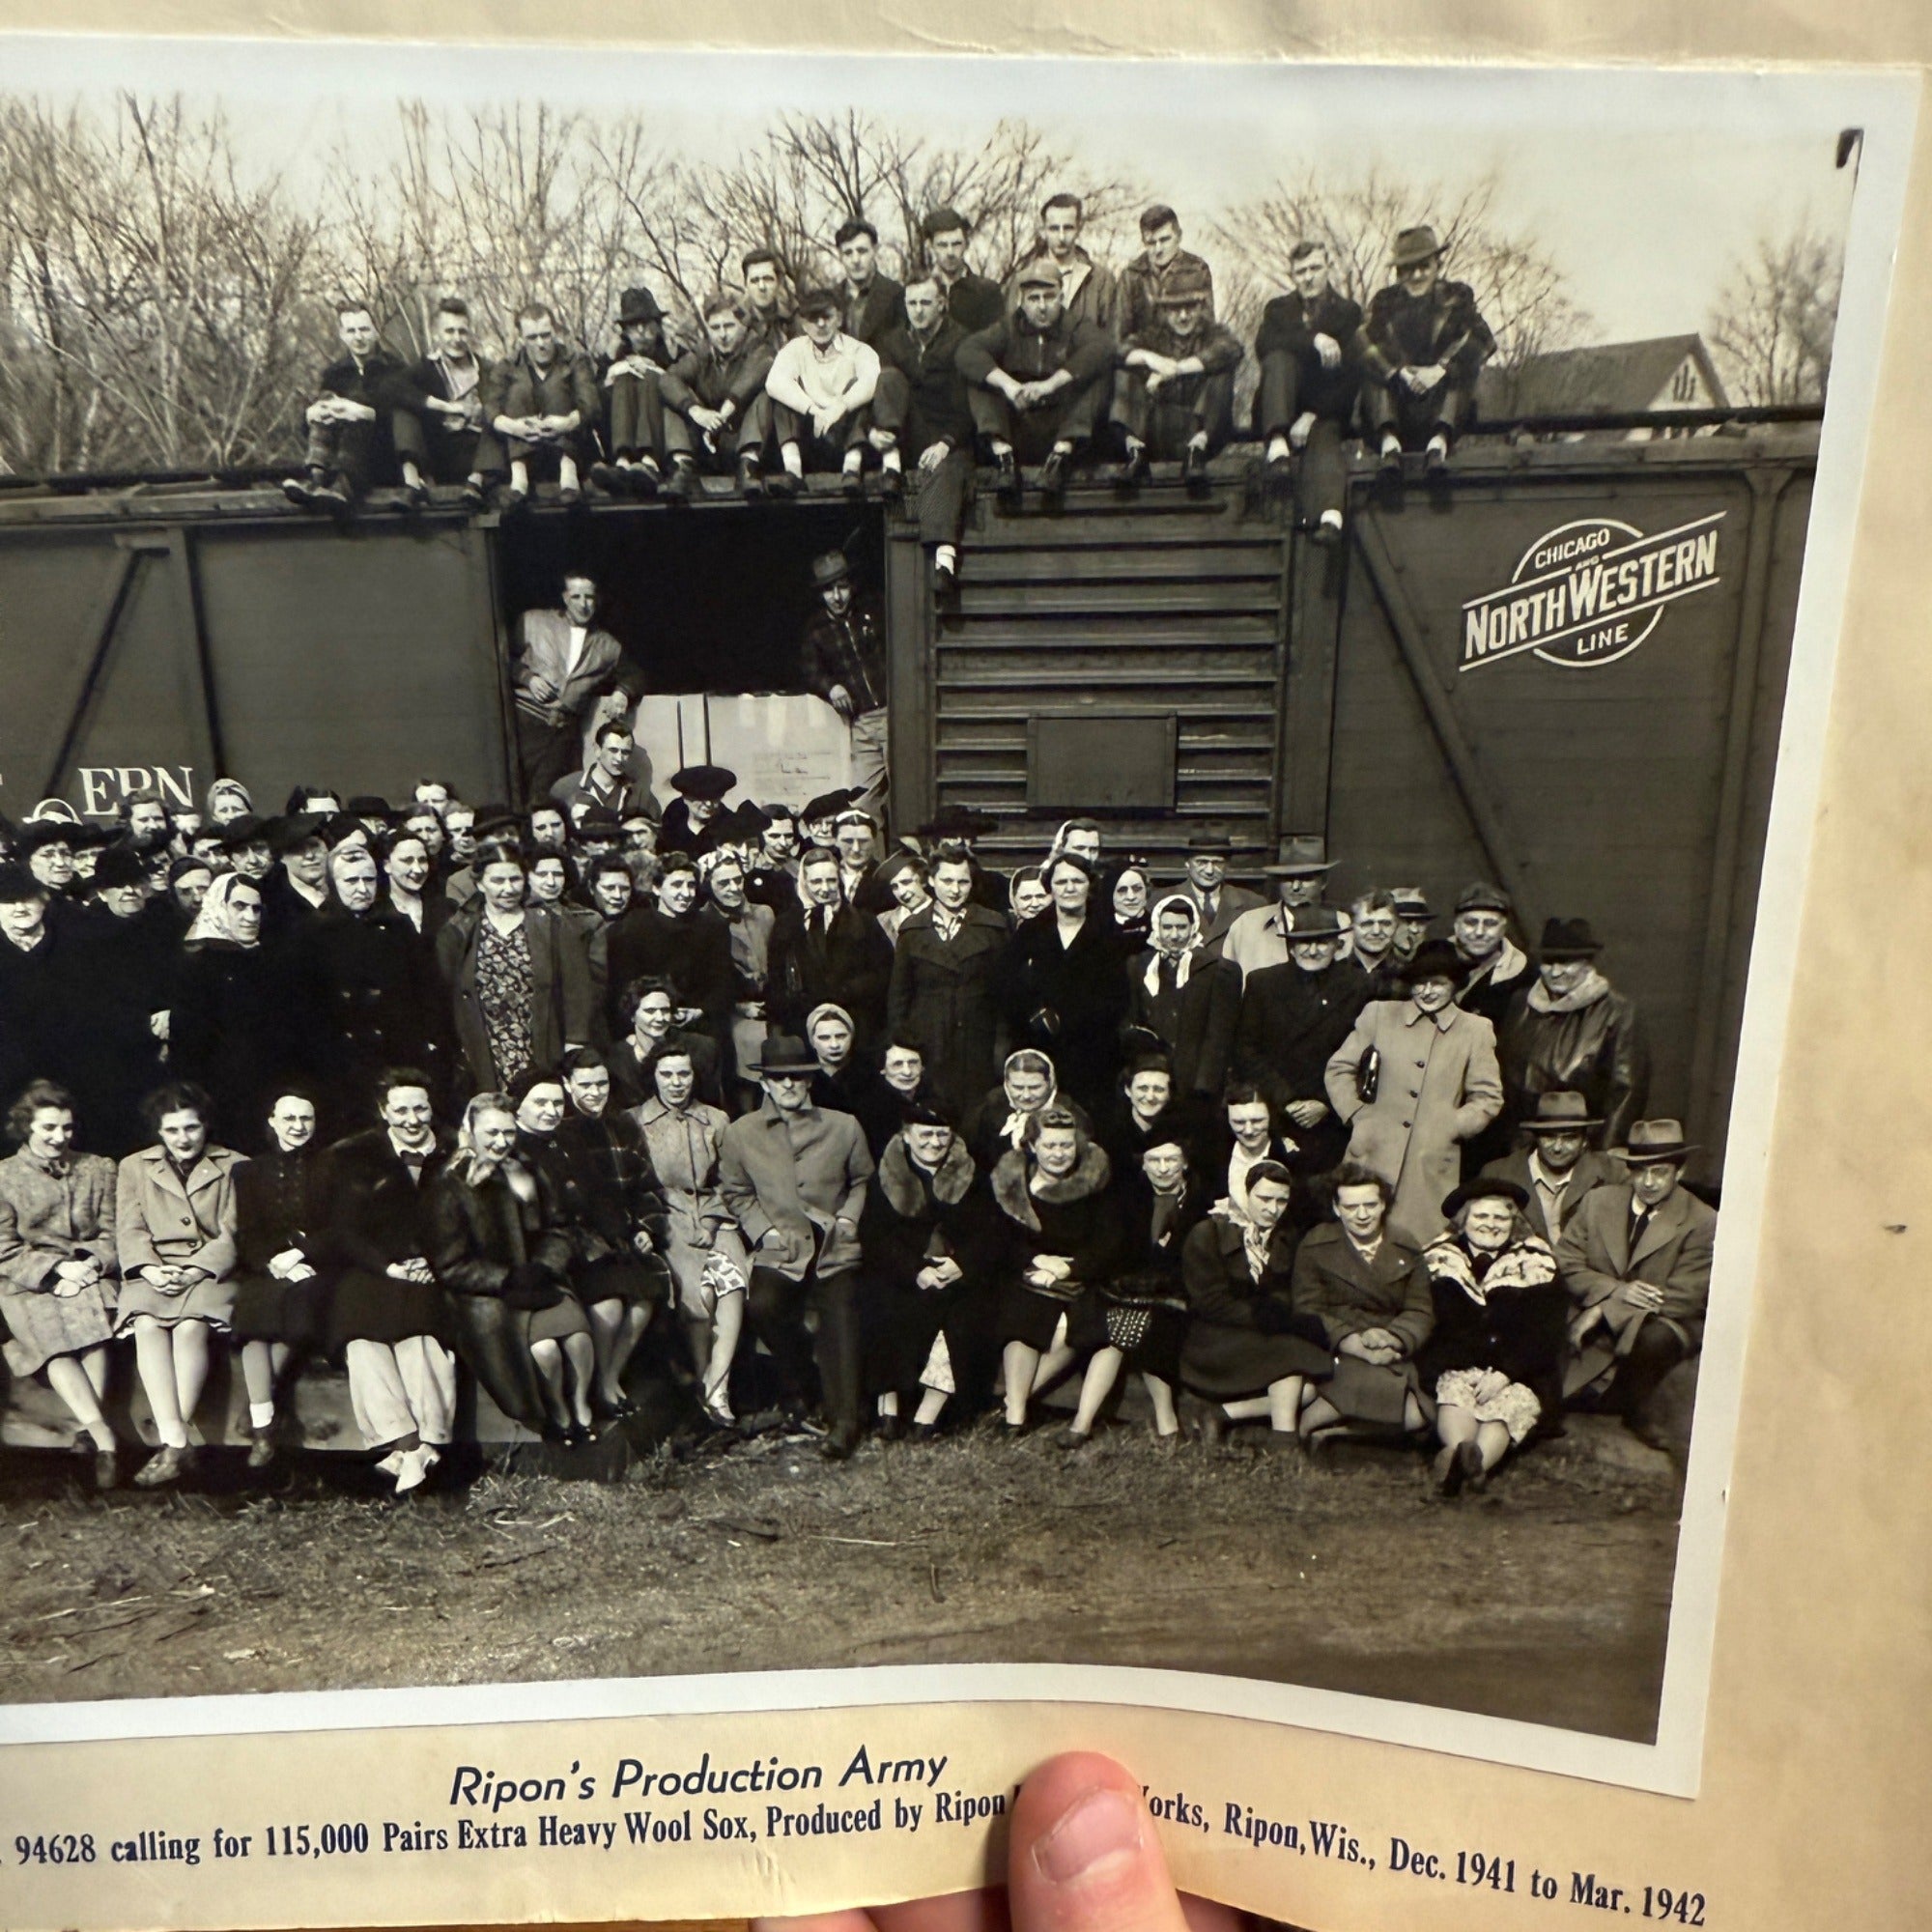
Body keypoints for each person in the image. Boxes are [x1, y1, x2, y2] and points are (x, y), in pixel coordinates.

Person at [718, 1035, 875, 1459]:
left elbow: (862, 1180)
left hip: (832, 1248)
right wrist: (762, 1231)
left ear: (810, 1082)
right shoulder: (740, 1133)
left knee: (840, 1311)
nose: (788, 1085)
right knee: (763, 1304)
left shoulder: (844, 1126)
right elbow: (736, 1192)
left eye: (797, 1078)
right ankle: (803, 1386)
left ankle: (844, 1423)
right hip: (781, 1247)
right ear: (765, 1084)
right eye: (778, 1078)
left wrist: (847, 1219)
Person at [309, 1069, 456, 1492]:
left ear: (433, 1108)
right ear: (383, 1112)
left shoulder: (455, 1153)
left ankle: (425, 1443)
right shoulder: (356, 1157)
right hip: (373, 1270)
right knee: (360, 1341)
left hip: (435, 1269)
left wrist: (436, 1262)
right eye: (402, 1110)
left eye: (421, 1108)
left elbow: (471, 1225)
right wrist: (385, 1265)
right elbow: (344, 1229)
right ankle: (410, 1446)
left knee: (419, 1339)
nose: (413, 1119)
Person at [430, 1089, 595, 1445]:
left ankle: (582, 1404)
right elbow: (451, 1265)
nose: (501, 1142)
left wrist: (544, 1266)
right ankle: (554, 1411)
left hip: (539, 1278)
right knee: (545, 1351)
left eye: (508, 1132)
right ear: (471, 1132)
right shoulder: (450, 1183)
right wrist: (507, 1277)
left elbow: (558, 1227)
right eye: (491, 1133)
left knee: (579, 1339)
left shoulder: (527, 1169)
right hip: (490, 1293)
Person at [1324, 940, 1505, 1248]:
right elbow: (1339, 1068)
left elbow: (1488, 1098)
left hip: (1429, 1165)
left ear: (1455, 985)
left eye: (1438, 984)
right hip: (1372, 1152)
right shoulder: (1379, 1014)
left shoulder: (1475, 1030)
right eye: (1420, 984)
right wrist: (1358, 1116)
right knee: (1358, 1242)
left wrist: (1450, 1126)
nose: (1428, 991)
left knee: (1420, 1248)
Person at [1556, 1118, 1716, 1450]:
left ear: (1680, 1172)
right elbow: (1566, 1261)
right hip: (1595, 1305)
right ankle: (1585, 1394)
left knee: (1656, 1339)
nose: (1648, 1182)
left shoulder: (1702, 1220)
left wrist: (1606, 1309)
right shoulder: (1599, 1202)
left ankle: (1631, 1406)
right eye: (1640, 1171)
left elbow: (1684, 1298)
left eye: (1660, 1172)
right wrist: (1614, 1291)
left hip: (1662, 1318)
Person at [114, 1081, 243, 1488]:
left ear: (205, 1127)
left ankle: (171, 1446)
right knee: (148, 1326)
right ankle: (176, 1439)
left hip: (207, 1271)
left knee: (191, 1327)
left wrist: (197, 1270)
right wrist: (148, 1269)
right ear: (159, 1131)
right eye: (172, 1131)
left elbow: (233, 1233)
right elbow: (129, 1228)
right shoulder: (134, 1167)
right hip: (154, 1269)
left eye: (191, 1128)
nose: (182, 1139)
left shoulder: (235, 1164)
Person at [0, 1081, 123, 1488]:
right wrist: (55, 1271)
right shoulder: (4, 1178)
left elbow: (113, 1234)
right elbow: (5, 1250)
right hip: (28, 1282)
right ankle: (103, 1435)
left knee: (94, 1324)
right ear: (25, 1128)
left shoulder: (99, 1169)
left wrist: (88, 1265)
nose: (58, 1137)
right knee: (51, 1335)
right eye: (48, 1128)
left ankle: (91, 1434)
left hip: (89, 1274)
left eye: (66, 1128)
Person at [1416, 1176, 1568, 1493]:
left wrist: (1504, 1373)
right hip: (1455, 1362)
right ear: (1464, 1220)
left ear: (1513, 1222)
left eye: (1501, 1217)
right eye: (1481, 1216)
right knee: (1455, 1398)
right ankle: (1466, 1461)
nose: (1491, 1225)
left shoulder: (1536, 1261)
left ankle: (1465, 1469)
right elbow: (1434, 1323)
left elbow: (1546, 1332)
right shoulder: (1438, 1260)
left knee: (1504, 1411)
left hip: (1518, 1370)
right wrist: (1469, 1368)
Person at [628, 1043, 748, 1423]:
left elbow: (730, 1181)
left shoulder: (717, 1119)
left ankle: (717, 1385)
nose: (677, 1083)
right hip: (668, 1218)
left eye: (684, 1074)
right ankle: (701, 1381)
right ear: (654, 1077)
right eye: (667, 1074)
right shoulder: (634, 1122)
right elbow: (636, 1188)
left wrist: (713, 1221)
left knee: (734, 1282)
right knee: (697, 1296)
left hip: (717, 1214)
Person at [862, 1101, 993, 1438]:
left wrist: (961, 1264)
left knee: (962, 1319)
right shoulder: (886, 1173)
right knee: (884, 1307)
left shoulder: (972, 1173)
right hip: (903, 1271)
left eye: (941, 1134)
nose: (934, 1143)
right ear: (906, 1136)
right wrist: (915, 1271)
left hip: (955, 1272)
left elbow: (990, 1231)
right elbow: (876, 1235)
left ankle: (927, 1415)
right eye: (925, 1135)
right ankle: (888, 1410)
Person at [1179, 1156, 1332, 1444]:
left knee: (1308, 1387)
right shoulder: (1208, 1233)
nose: (1271, 1209)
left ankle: (1222, 1414)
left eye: (1281, 1201)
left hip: (1262, 1338)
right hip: (1214, 1339)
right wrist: (1269, 1316)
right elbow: (1210, 1304)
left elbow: (1291, 1292)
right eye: (1263, 1198)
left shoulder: (1287, 1238)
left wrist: (1278, 1315)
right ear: (1244, 1192)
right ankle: (1285, 1443)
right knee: (1294, 1360)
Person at [1061, 1133, 1200, 1446]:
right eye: (1154, 1161)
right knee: (1120, 1333)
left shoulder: (1199, 1202)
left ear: (1185, 1164)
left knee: (1135, 1329)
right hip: (1132, 1291)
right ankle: (1162, 1425)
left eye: (1171, 1161)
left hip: (1179, 1296)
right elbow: (1115, 1250)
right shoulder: (1130, 1199)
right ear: (1144, 1165)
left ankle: (1083, 1425)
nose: (1163, 1169)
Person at [988, 1106, 1117, 1433]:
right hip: (1028, 1274)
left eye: (1066, 1145)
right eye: (1050, 1146)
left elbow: (1108, 1242)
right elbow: (1001, 1239)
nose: (1059, 1154)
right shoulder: (1013, 1186)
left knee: (1071, 1325)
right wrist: (1034, 1261)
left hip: (1078, 1277)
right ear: (1032, 1147)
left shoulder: (1094, 1185)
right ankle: (1015, 1414)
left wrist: (1067, 1268)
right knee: (1022, 1315)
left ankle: (1009, 1401)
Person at [171, 872, 321, 1146]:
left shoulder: (271, 961)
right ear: (219, 907)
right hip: (220, 1096)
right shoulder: (196, 965)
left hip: (272, 1090)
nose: (250, 917)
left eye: (256, 908)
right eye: (239, 907)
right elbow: (188, 1047)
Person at [435, 840, 594, 1094]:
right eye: (498, 881)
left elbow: (577, 989)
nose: (508, 889)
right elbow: (447, 993)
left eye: (515, 879)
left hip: (540, 1039)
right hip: (486, 1042)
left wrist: (574, 1043)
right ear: (479, 884)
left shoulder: (552, 925)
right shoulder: (460, 930)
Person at [1290, 1162, 1434, 1442]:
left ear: (1383, 1205)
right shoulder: (1316, 1244)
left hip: (1391, 1346)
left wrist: (1394, 1338)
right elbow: (1308, 1307)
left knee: (1422, 1414)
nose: (1362, 1215)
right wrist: (1354, 1343)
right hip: (1340, 1344)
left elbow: (1420, 1308)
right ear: (1336, 1208)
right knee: (1361, 1383)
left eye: (1370, 1204)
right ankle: (1312, 1426)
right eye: (1351, 1207)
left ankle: (1337, 1434)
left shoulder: (1406, 1244)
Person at [226, 1088, 329, 1469]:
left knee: (298, 1314)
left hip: (314, 1266)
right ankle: (266, 1422)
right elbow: (248, 1233)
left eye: (306, 1119)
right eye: (289, 1118)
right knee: (256, 1320)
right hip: (267, 1268)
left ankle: (258, 1414)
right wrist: (273, 1263)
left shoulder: (331, 1167)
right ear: (272, 1122)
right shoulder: (249, 1171)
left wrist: (303, 1255)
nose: (298, 1126)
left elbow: (337, 1228)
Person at [958, 262, 1116, 506]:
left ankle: (1059, 458)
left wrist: (1051, 384)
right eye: (1034, 299)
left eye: (1049, 297)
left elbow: (1103, 348)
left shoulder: (1074, 326)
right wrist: (1010, 386)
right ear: (1021, 301)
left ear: (1061, 297)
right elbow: (967, 352)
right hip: (1020, 428)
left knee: (1100, 375)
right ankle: (1004, 459)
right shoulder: (1008, 327)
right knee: (979, 379)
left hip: (1061, 431)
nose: (1042, 307)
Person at [313, 843, 445, 1131]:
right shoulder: (313, 933)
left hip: (397, 1055)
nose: (362, 888)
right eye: (351, 881)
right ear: (333, 883)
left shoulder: (399, 927)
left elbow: (427, 992)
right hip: (341, 1064)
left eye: (369, 879)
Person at [1234, 903, 1369, 1177]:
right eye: (1303, 942)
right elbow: (1245, 1050)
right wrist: (1286, 1099)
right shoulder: (1263, 983)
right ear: (1291, 948)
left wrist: (1325, 1103)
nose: (1312, 950)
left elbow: (1368, 1056)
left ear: (1338, 946)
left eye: (1322, 942)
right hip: (1277, 1114)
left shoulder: (1359, 985)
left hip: (1333, 1119)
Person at [1497, 917, 1650, 1152]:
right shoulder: (1520, 1004)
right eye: (1548, 962)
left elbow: (1625, 1094)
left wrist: (1605, 1154)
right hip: (1517, 1147)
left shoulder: (1617, 1012)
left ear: (1587, 964)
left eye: (1566, 962)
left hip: (1579, 1148)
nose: (1556, 972)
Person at [998, 853, 1130, 1112]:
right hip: (1040, 1047)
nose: (1070, 888)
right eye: (1061, 882)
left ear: (1089, 886)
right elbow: (1005, 983)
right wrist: (1034, 1013)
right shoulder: (1031, 932)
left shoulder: (1109, 934)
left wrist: (1074, 1019)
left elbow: (1118, 996)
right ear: (1050, 889)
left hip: (1093, 1053)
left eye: (1077, 881)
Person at [869, 273, 978, 592]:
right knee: (887, 377)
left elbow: (970, 404)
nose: (918, 311)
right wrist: (873, 433)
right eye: (912, 303)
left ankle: (944, 559)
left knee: (946, 470)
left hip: (952, 433)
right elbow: (872, 391)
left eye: (926, 303)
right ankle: (890, 467)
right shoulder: (892, 342)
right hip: (906, 432)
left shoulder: (961, 341)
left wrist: (946, 443)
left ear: (942, 304)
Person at [1360, 224, 1497, 472]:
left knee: (1464, 369)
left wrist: (1441, 369)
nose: (1416, 276)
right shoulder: (1384, 302)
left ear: (1437, 266)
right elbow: (1364, 343)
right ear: (1399, 273)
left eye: (1424, 267)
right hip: (1397, 403)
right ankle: (1389, 447)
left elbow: (1484, 341)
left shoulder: (1456, 297)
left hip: (1442, 403)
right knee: (1373, 369)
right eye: (1408, 270)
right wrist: (1399, 372)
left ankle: (1438, 447)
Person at [887, 842, 1010, 1118]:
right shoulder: (913, 930)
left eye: (963, 882)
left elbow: (1004, 996)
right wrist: (904, 1045)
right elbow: (899, 998)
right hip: (929, 1044)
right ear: (930, 880)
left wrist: (1000, 1051)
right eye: (947, 881)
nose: (955, 890)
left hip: (977, 1046)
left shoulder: (993, 927)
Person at [1254, 239, 1363, 538]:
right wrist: (1314, 339)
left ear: (1328, 268)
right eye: (1300, 271)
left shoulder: (1348, 312)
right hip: (1280, 406)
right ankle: (1277, 449)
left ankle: (1330, 518)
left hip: (1325, 408)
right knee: (1278, 358)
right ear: (1293, 276)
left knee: (1326, 437)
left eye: (1315, 268)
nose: (1308, 277)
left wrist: (1312, 414)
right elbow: (1264, 345)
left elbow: (1350, 376)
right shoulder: (1278, 309)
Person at [507, 573, 639, 807]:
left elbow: (634, 674)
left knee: (550, 796)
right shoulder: (532, 621)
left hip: (562, 729)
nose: (583, 603)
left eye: (589, 597)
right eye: (576, 596)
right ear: (565, 598)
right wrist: (528, 678)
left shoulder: (607, 644)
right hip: (525, 720)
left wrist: (621, 692)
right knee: (514, 790)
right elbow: (500, 660)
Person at [283, 302, 418, 512]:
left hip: (381, 458)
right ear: (342, 335)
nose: (359, 337)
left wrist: (364, 413)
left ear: (375, 331)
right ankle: (316, 479)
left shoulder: (395, 370)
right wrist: (311, 415)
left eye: (364, 329)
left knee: (356, 409)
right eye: (351, 331)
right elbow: (308, 431)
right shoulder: (335, 374)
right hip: (336, 458)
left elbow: (407, 421)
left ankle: (341, 486)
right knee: (326, 402)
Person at [1113, 270, 1242, 486]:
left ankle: (1196, 453)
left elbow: (1231, 349)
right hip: (1158, 430)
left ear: (1201, 307)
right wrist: (1150, 358)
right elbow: (1119, 351)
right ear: (1164, 310)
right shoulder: (1152, 335)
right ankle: (1135, 453)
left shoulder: (1213, 333)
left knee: (1222, 372)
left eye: (1190, 307)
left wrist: (1177, 369)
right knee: (1124, 371)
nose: (1183, 316)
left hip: (1199, 429)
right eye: (1175, 309)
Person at [602, 850, 736, 1049]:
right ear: (657, 888)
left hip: (702, 1025)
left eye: (691, 885)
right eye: (676, 885)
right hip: (649, 1027)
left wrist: (700, 1010)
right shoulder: (633, 928)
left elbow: (723, 982)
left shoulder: (713, 926)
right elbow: (623, 988)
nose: (685, 893)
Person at [653, 292, 777, 499]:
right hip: (707, 446)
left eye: (729, 326)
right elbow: (668, 379)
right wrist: (696, 411)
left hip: (742, 442)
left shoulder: (758, 348)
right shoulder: (703, 353)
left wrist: (722, 415)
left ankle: (748, 467)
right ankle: (682, 466)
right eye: (715, 328)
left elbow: (752, 378)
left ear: (744, 326)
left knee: (765, 395)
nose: (722, 335)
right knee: (674, 400)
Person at [767, 845, 894, 1046]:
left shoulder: (864, 922)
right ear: (804, 882)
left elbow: (883, 973)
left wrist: (844, 992)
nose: (825, 889)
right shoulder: (787, 925)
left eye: (831, 880)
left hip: (856, 1022)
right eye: (816, 881)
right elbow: (777, 980)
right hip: (803, 1024)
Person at [763, 286, 881, 496]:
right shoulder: (794, 349)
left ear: (839, 318)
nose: (820, 324)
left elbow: (872, 380)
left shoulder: (858, 350)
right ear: (803, 323)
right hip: (810, 440)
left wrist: (840, 406)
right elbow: (774, 382)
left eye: (827, 316)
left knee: (858, 390)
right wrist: (813, 410)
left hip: (848, 437)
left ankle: (851, 471)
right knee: (782, 398)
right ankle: (793, 472)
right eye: (813, 318)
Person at [799, 551, 890, 818]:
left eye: (842, 587)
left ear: (852, 586)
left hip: (895, 715)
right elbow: (808, 669)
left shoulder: (874, 611)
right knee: (863, 802)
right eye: (829, 590)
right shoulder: (815, 629)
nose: (837, 597)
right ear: (820, 594)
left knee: (907, 794)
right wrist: (831, 687)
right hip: (861, 723)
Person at [487, 301, 600, 508]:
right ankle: (518, 481)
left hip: (571, 453)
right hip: (525, 456)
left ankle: (569, 476)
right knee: (518, 389)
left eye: (546, 335)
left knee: (556, 385)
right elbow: (490, 409)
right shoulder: (508, 366)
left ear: (555, 332)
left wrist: (566, 423)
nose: (541, 343)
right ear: (521, 338)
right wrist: (515, 427)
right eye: (532, 337)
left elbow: (591, 405)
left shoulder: (574, 361)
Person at [1482, 1089, 1620, 1247]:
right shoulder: (1498, 1175)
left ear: (1584, 1141)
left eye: (1569, 1138)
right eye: (1549, 1136)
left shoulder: (1611, 1172)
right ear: (1536, 1136)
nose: (1557, 1147)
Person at [400, 296, 498, 507]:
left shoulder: (488, 369)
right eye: (449, 331)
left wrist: (483, 410)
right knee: (404, 412)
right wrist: (445, 406)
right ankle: (413, 483)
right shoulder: (424, 369)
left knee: (497, 416)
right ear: (437, 334)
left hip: (481, 454)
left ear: (470, 333)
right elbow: (394, 391)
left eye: (462, 331)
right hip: (442, 454)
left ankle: (477, 482)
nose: (456, 338)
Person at [589, 286, 674, 497]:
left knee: (648, 377)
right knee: (624, 378)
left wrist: (654, 369)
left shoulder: (671, 352)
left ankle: (649, 461)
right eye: (634, 327)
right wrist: (611, 368)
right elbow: (593, 397)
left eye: (647, 325)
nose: (642, 333)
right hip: (619, 438)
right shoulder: (615, 358)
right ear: (625, 332)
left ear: (657, 327)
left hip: (661, 439)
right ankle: (622, 461)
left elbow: (682, 384)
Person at [1219, 835, 1342, 980]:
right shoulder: (1247, 926)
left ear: (1323, 881)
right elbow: (1225, 985)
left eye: (1306, 878)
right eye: (1288, 879)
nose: (1296, 887)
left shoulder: (1342, 926)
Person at [962, 1047, 1093, 1175]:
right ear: (1006, 1084)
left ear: (1050, 1084)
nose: (1026, 1096)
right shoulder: (985, 1114)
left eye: (1035, 1087)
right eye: (1018, 1087)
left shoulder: (1072, 1117)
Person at [1007, 191, 1121, 335]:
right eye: (1054, 228)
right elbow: (1012, 336)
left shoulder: (1101, 280)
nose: (1061, 237)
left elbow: (1111, 340)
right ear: (1043, 231)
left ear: (1078, 228)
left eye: (1068, 228)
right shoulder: (1022, 278)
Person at [609, 976, 724, 1112]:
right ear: (632, 1015)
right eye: (650, 1011)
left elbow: (711, 1104)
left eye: (665, 1010)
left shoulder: (700, 1048)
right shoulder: (616, 1058)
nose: (659, 1018)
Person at [1200, 1083, 1306, 1227]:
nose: (1248, 1131)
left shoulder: (1290, 1157)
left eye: (1257, 1121)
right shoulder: (1215, 1157)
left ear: (1270, 1117)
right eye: (1239, 1122)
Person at [1449, 880, 1537, 1026]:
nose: (1479, 932)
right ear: (1456, 926)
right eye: (1471, 922)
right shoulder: (1427, 963)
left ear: (1504, 928)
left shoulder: (1526, 977)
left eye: (1490, 924)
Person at [551, 719, 657, 829]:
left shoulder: (640, 794)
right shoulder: (565, 787)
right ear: (597, 750)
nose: (619, 758)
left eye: (625, 752)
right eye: (613, 750)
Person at [1174, 830, 1264, 955]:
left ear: (1228, 864)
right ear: (1187, 862)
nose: (1209, 871)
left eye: (1217, 863)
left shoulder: (1253, 904)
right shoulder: (1162, 900)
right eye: (1201, 862)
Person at [919, 206, 1005, 332]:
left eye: (956, 244)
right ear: (930, 247)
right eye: (942, 245)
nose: (950, 252)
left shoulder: (987, 292)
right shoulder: (917, 292)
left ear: (966, 244)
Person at [835, 215, 905, 348]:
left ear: (875, 250)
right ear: (840, 256)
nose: (855, 260)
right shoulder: (831, 299)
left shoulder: (896, 295)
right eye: (848, 253)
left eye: (862, 251)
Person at [659, 763, 737, 861]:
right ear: (685, 799)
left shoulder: (731, 830)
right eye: (701, 798)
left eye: (714, 798)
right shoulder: (668, 834)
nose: (708, 804)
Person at [1345, 889, 1405, 996]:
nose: (1376, 931)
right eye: (1367, 924)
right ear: (1351, 927)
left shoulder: (1408, 975)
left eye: (1385, 924)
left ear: (1397, 926)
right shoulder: (1335, 973)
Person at [738, 247, 794, 353]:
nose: (762, 287)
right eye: (755, 281)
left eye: (767, 279)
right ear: (746, 284)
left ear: (779, 282)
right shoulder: (736, 324)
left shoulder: (791, 321)